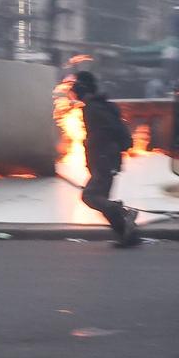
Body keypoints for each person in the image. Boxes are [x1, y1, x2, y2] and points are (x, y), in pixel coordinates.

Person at [71, 70, 141, 246]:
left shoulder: (94, 108)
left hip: (104, 158)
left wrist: (91, 147)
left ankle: (123, 212)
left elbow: (105, 133)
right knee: (102, 198)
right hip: (105, 158)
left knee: (90, 196)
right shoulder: (99, 105)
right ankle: (129, 237)